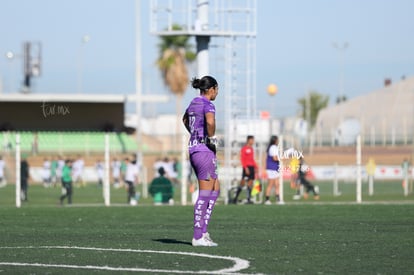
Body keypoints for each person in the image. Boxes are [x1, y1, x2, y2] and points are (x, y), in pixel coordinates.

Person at [183, 75, 220, 247]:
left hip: (196, 149)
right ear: (211, 88)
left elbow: (184, 120)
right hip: (204, 150)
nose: (217, 93)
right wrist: (210, 137)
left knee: (215, 188)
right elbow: (210, 121)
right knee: (204, 193)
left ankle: (204, 231)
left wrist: (195, 133)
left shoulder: (193, 103)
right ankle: (198, 236)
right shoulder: (208, 104)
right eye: (217, 89)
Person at [233, 135, 258, 204]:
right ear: (248, 140)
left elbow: (252, 159)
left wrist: (256, 167)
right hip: (246, 168)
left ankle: (248, 199)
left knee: (250, 183)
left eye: (253, 140)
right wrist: (245, 167)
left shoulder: (252, 149)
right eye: (252, 140)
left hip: (252, 167)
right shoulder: (244, 148)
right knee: (242, 183)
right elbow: (242, 159)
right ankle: (235, 198)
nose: (253, 141)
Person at [264, 135, 281, 205]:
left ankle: (278, 199)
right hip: (271, 168)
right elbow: (274, 158)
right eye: (277, 140)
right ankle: (267, 199)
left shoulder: (274, 147)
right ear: (275, 140)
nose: (278, 141)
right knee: (270, 184)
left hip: (274, 168)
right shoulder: (273, 147)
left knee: (277, 184)